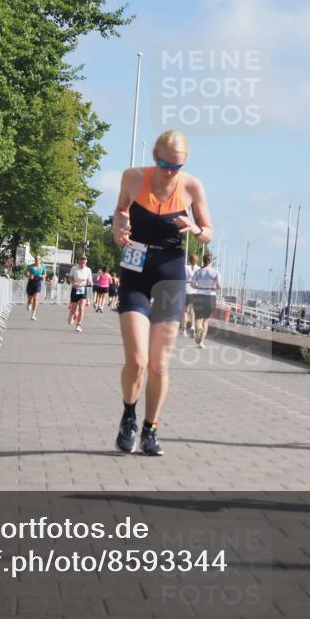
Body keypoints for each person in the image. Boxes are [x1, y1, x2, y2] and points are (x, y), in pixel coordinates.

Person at [112, 130, 213, 456]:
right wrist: (119, 229)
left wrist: (195, 229)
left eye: (176, 166)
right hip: (135, 267)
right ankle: (129, 415)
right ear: (154, 156)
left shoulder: (192, 187)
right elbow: (121, 210)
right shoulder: (132, 178)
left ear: (185, 162)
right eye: (163, 164)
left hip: (170, 271)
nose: (169, 171)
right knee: (137, 360)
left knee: (158, 364)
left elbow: (208, 232)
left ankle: (150, 428)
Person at [191, 253, 222, 348]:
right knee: (206, 320)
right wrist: (213, 287)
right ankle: (201, 342)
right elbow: (219, 286)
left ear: (203, 261)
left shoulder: (198, 272)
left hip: (199, 295)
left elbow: (192, 284)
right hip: (210, 297)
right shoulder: (216, 272)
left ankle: (198, 329)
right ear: (211, 261)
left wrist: (199, 287)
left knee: (198, 318)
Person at [67, 256, 93, 332]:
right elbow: (70, 278)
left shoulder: (88, 270)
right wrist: (73, 283)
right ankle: (71, 314)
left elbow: (90, 279)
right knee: (74, 309)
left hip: (83, 289)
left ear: (86, 262)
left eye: (84, 261)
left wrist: (90, 282)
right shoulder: (74, 268)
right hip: (75, 289)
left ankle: (78, 325)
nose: (83, 263)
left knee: (81, 308)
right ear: (79, 261)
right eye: (81, 261)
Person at [182, 253, 200, 336]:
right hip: (195, 290)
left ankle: (184, 330)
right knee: (192, 310)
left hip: (186, 289)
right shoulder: (199, 269)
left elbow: (182, 277)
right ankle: (192, 326)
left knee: (185, 310)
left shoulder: (186, 267)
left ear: (190, 260)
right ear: (197, 261)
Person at [26, 255, 46, 321]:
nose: (37, 260)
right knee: (30, 300)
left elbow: (45, 274)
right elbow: (26, 273)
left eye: (38, 259)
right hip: (31, 283)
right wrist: (29, 275)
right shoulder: (30, 266)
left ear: (40, 260)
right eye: (36, 259)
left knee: (36, 298)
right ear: (34, 260)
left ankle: (33, 315)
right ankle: (29, 303)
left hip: (38, 283)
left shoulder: (43, 266)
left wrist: (43, 276)